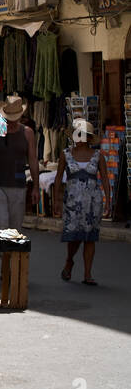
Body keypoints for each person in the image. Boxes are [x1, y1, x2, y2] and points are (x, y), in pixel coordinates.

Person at [0, 94, 40, 230]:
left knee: (15, 229)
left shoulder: (27, 133)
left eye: (14, 119)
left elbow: (33, 160)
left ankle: (8, 252)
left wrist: (36, 187)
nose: (11, 122)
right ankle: (2, 250)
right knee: (2, 225)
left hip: (17, 185)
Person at [57, 118, 107, 285]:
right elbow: (58, 179)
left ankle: (87, 274)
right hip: (72, 202)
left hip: (93, 202)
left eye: (81, 135)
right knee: (73, 237)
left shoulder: (98, 156)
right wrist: (56, 200)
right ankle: (69, 260)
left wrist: (109, 202)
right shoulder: (66, 154)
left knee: (90, 237)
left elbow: (105, 180)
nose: (78, 139)